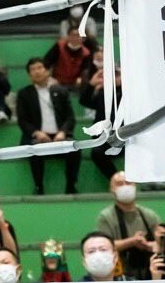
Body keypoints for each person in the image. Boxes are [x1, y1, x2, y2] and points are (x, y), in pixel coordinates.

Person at [16, 58, 78, 194]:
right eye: (32, 69)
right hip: (38, 136)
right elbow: (22, 120)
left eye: (39, 67)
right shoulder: (24, 94)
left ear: (47, 71)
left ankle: (71, 185)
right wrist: (37, 132)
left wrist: (62, 132)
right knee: (34, 148)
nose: (37, 72)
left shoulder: (60, 91)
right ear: (29, 75)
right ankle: (38, 186)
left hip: (59, 136)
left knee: (75, 149)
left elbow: (70, 117)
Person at [96, 173, 160, 279]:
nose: (125, 186)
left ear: (135, 186)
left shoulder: (149, 215)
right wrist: (132, 241)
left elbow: (162, 242)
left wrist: (150, 245)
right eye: (119, 184)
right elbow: (104, 246)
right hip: (119, 274)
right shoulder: (106, 217)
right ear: (112, 189)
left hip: (149, 272)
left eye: (128, 183)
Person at [79, 53, 123, 183]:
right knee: (97, 152)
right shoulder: (104, 93)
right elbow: (85, 101)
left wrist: (123, 82)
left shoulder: (130, 92)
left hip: (127, 136)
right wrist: (92, 84)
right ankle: (116, 179)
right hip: (106, 138)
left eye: (117, 74)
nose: (115, 77)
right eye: (112, 74)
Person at [42, 19, 96, 95]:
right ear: (68, 36)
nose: (75, 38)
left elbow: (86, 69)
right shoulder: (59, 47)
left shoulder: (86, 53)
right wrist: (49, 78)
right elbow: (46, 62)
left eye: (78, 35)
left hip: (75, 83)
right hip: (57, 82)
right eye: (73, 35)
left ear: (83, 38)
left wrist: (81, 79)